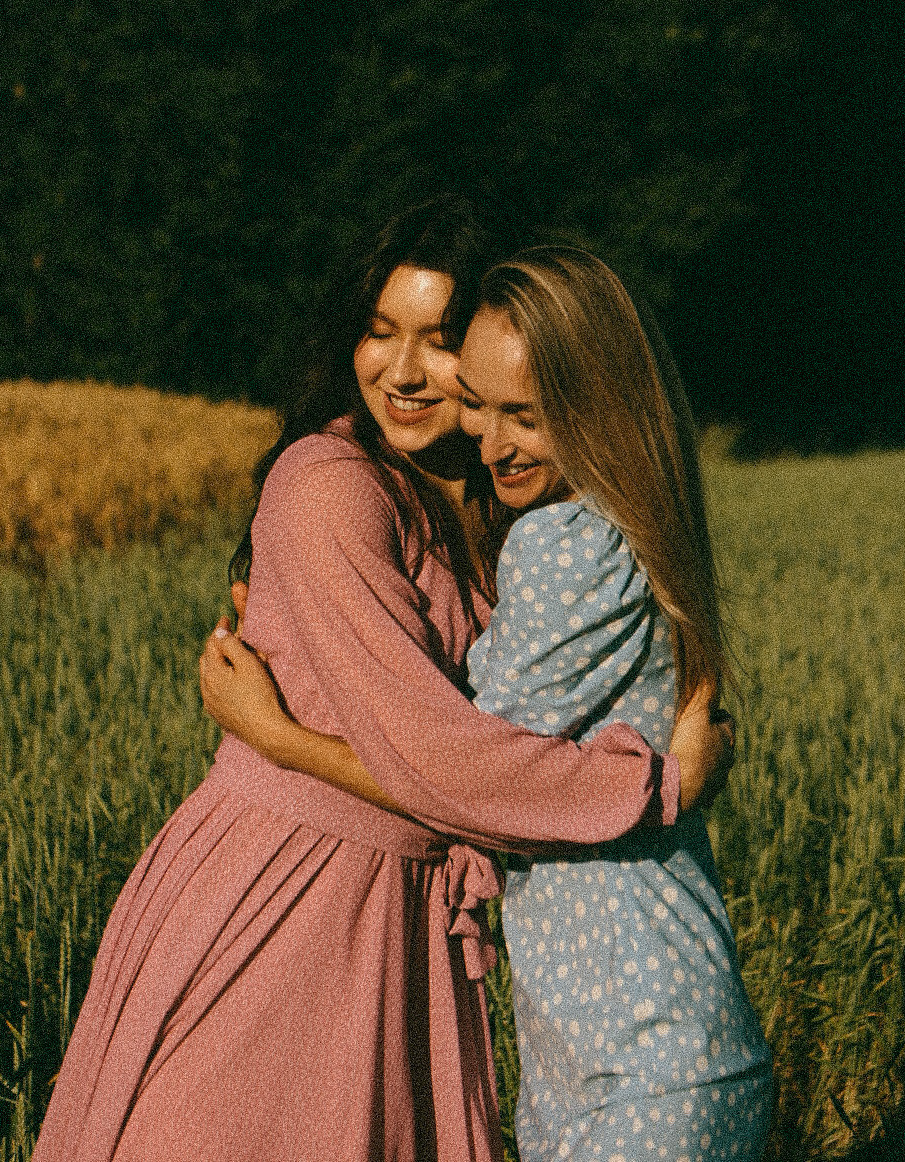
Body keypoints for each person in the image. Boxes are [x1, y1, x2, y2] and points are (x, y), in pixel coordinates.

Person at [33, 199, 732, 1162]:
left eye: (437, 341)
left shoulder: (495, 504)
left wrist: (282, 734)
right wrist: (657, 787)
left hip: (398, 913)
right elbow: (446, 763)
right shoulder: (330, 487)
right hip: (285, 898)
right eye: (378, 331)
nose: (399, 372)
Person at [202, 245, 770, 1162]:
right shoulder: (620, 527)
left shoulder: (562, 548)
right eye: (483, 406)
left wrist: (282, 732)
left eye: (527, 418)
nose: (495, 441)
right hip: (636, 1056)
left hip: (640, 1067)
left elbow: (463, 765)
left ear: (598, 412)